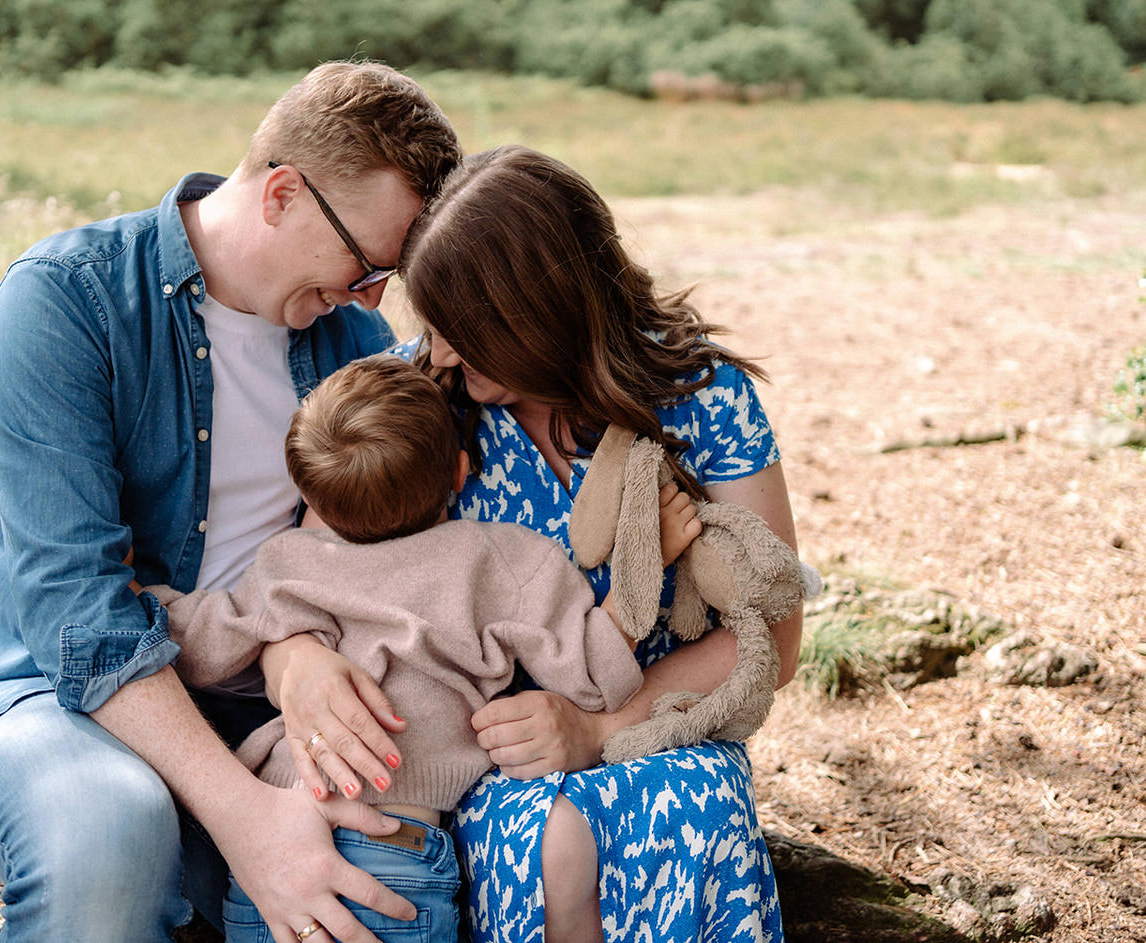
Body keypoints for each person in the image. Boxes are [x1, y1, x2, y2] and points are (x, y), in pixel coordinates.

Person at [0, 62, 463, 943]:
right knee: (110, 830)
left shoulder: (353, 343)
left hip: (258, 703)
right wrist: (246, 818)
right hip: (56, 697)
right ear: (283, 193)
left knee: (377, 868)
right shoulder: (67, 299)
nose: (370, 298)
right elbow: (73, 610)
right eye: (366, 265)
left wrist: (291, 648)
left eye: (386, 277)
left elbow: (344, 556)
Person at [259, 145, 804, 943]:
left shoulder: (705, 397)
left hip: (665, 729)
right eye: (431, 326)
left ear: (534, 315)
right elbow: (306, 581)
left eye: (460, 331)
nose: (438, 351)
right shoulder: (416, 398)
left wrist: (597, 730)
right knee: (549, 837)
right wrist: (296, 659)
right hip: (489, 752)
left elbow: (773, 641)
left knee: (682, 804)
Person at [144, 354, 704, 943]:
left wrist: (135, 590)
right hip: (397, 862)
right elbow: (594, 674)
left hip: (276, 857)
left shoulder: (287, 566)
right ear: (461, 474)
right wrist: (646, 559)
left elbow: (198, 642)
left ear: (310, 496)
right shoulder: (498, 561)